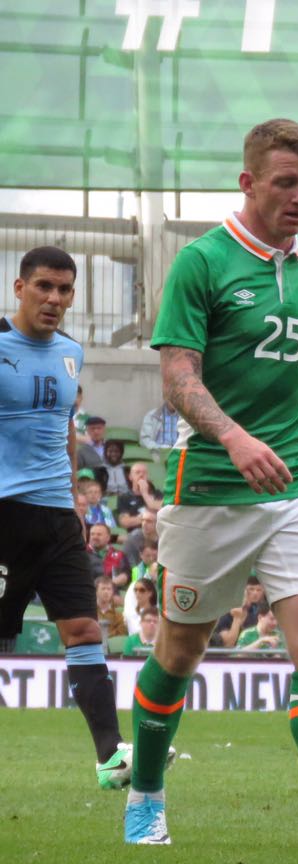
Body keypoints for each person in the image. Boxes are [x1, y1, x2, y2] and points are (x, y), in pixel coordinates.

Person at [124, 118, 298, 848]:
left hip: (294, 486)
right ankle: (145, 794)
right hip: (210, 487)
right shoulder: (202, 263)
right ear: (248, 182)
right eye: (286, 182)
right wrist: (235, 436)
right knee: (180, 651)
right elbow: (178, 377)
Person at [0, 246, 141, 787]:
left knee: (83, 629)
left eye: (64, 290)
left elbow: (64, 428)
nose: (53, 298)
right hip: (5, 515)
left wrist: (75, 501)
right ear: (19, 288)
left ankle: (110, 757)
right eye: (43, 286)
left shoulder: (70, 352)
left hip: (57, 516)